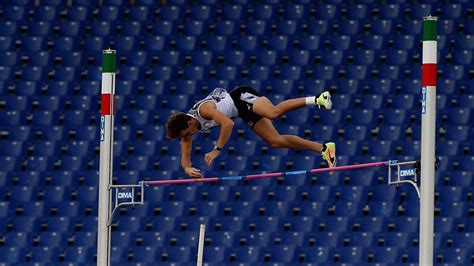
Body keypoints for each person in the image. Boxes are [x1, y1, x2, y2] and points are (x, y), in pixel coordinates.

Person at [166, 86, 336, 178]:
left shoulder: (204, 111)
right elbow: (185, 161)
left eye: (185, 134)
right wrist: (188, 169)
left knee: (273, 112)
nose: (187, 137)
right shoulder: (187, 131)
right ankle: (324, 148)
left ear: (188, 122)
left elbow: (227, 124)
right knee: (275, 141)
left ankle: (317, 99)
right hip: (241, 111)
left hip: (240, 97)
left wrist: (216, 150)